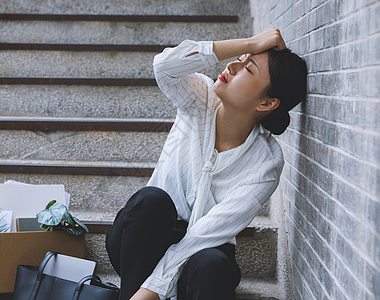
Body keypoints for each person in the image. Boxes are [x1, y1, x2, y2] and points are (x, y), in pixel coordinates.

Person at [106, 28, 308, 300]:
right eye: (240, 57)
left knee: (212, 264)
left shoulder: (266, 162)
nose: (232, 65)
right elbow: (164, 65)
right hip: (145, 239)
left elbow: (205, 236)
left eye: (248, 69)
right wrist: (250, 42)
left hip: (201, 254)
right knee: (151, 201)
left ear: (267, 102)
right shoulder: (199, 97)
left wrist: (152, 290)